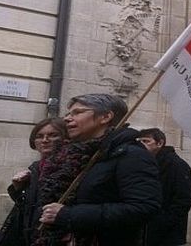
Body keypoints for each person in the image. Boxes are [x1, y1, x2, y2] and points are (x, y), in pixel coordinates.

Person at [37, 93, 162, 246]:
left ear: (105, 117)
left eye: (78, 112)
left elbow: (143, 207)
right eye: (68, 113)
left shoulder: (131, 155)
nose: (67, 118)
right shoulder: (74, 154)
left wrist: (69, 215)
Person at [0, 118, 68, 246]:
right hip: (28, 235)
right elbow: (28, 205)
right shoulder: (36, 167)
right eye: (39, 136)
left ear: (65, 138)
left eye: (53, 135)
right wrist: (18, 188)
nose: (45, 140)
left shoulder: (70, 166)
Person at [138, 128, 191, 246]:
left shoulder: (177, 165)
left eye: (146, 141)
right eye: (140, 142)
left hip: (167, 234)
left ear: (160, 143)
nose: (142, 145)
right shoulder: (146, 163)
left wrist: (162, 222)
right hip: (146, 231)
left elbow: (184, 198)